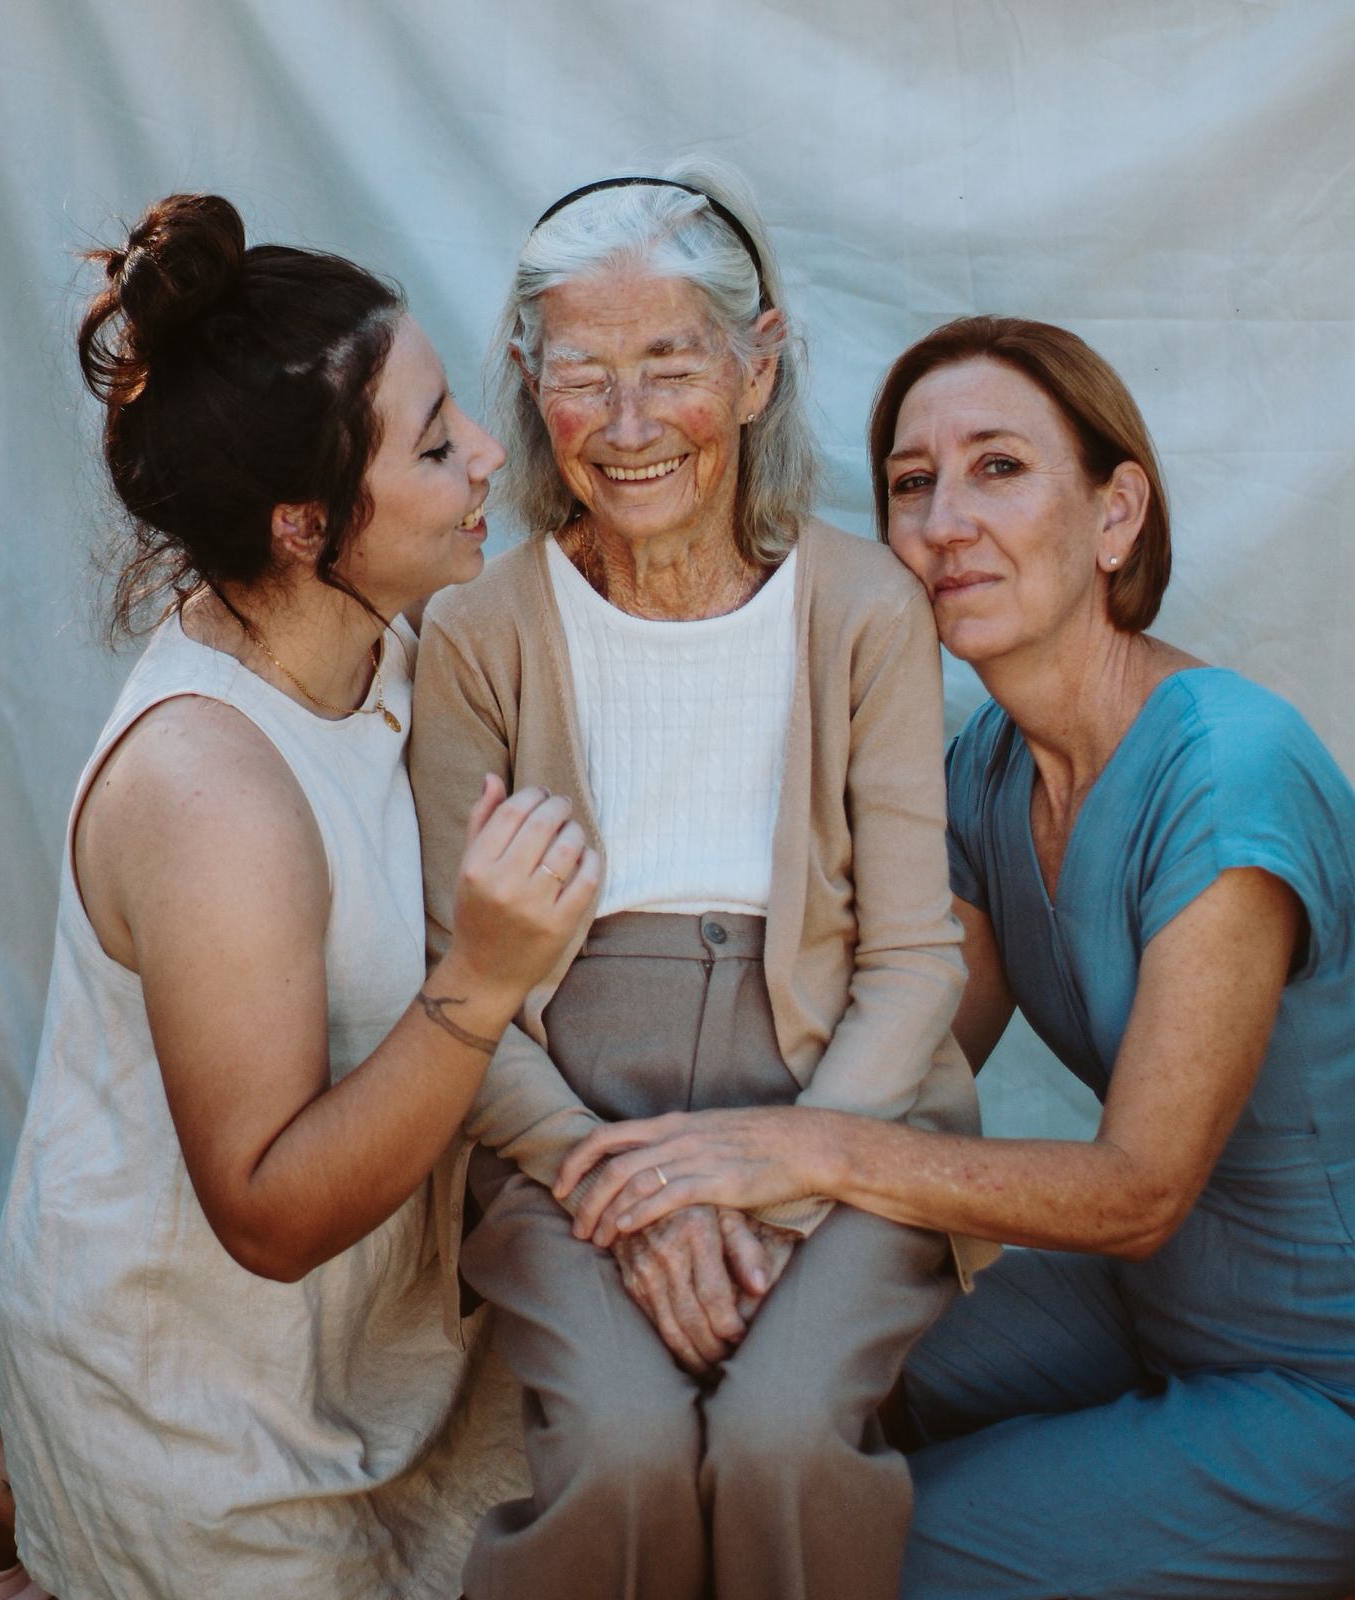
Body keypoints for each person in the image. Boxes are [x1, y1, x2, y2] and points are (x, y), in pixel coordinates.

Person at [558, 314, 1355, 1599]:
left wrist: (810, 1154)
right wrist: (708, 1198)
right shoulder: (986, 768)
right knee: (762, 1386)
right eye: (912, 483)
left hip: (1324, 1375)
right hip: (1140, 1302)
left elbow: (1143, 1184)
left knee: (863, 1547)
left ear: (1116, 514)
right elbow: (904, 1061)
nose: (943, 522)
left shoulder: (1227, 769)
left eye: (999, 467)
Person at [0, 192, 598, 1600]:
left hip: (363, 1376)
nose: (486, 460)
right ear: (305, 524)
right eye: (438, 444)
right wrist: (484, 977)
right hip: (194, 1422)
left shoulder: (366, 644)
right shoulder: (216, 799)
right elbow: (262, 1212)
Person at [409, 164, 989, 1600]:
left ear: (755, 366)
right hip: (571, 1134)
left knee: (786, 1441)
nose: (624, 426)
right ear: (529, 385)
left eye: (668, 363)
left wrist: (774, 1180)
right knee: (621, 1451)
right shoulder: (479, 630)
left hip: (835, 1112)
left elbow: (914, 966)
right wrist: (642, 1198)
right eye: (579, 375)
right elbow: (458, 986)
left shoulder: (863, 609)